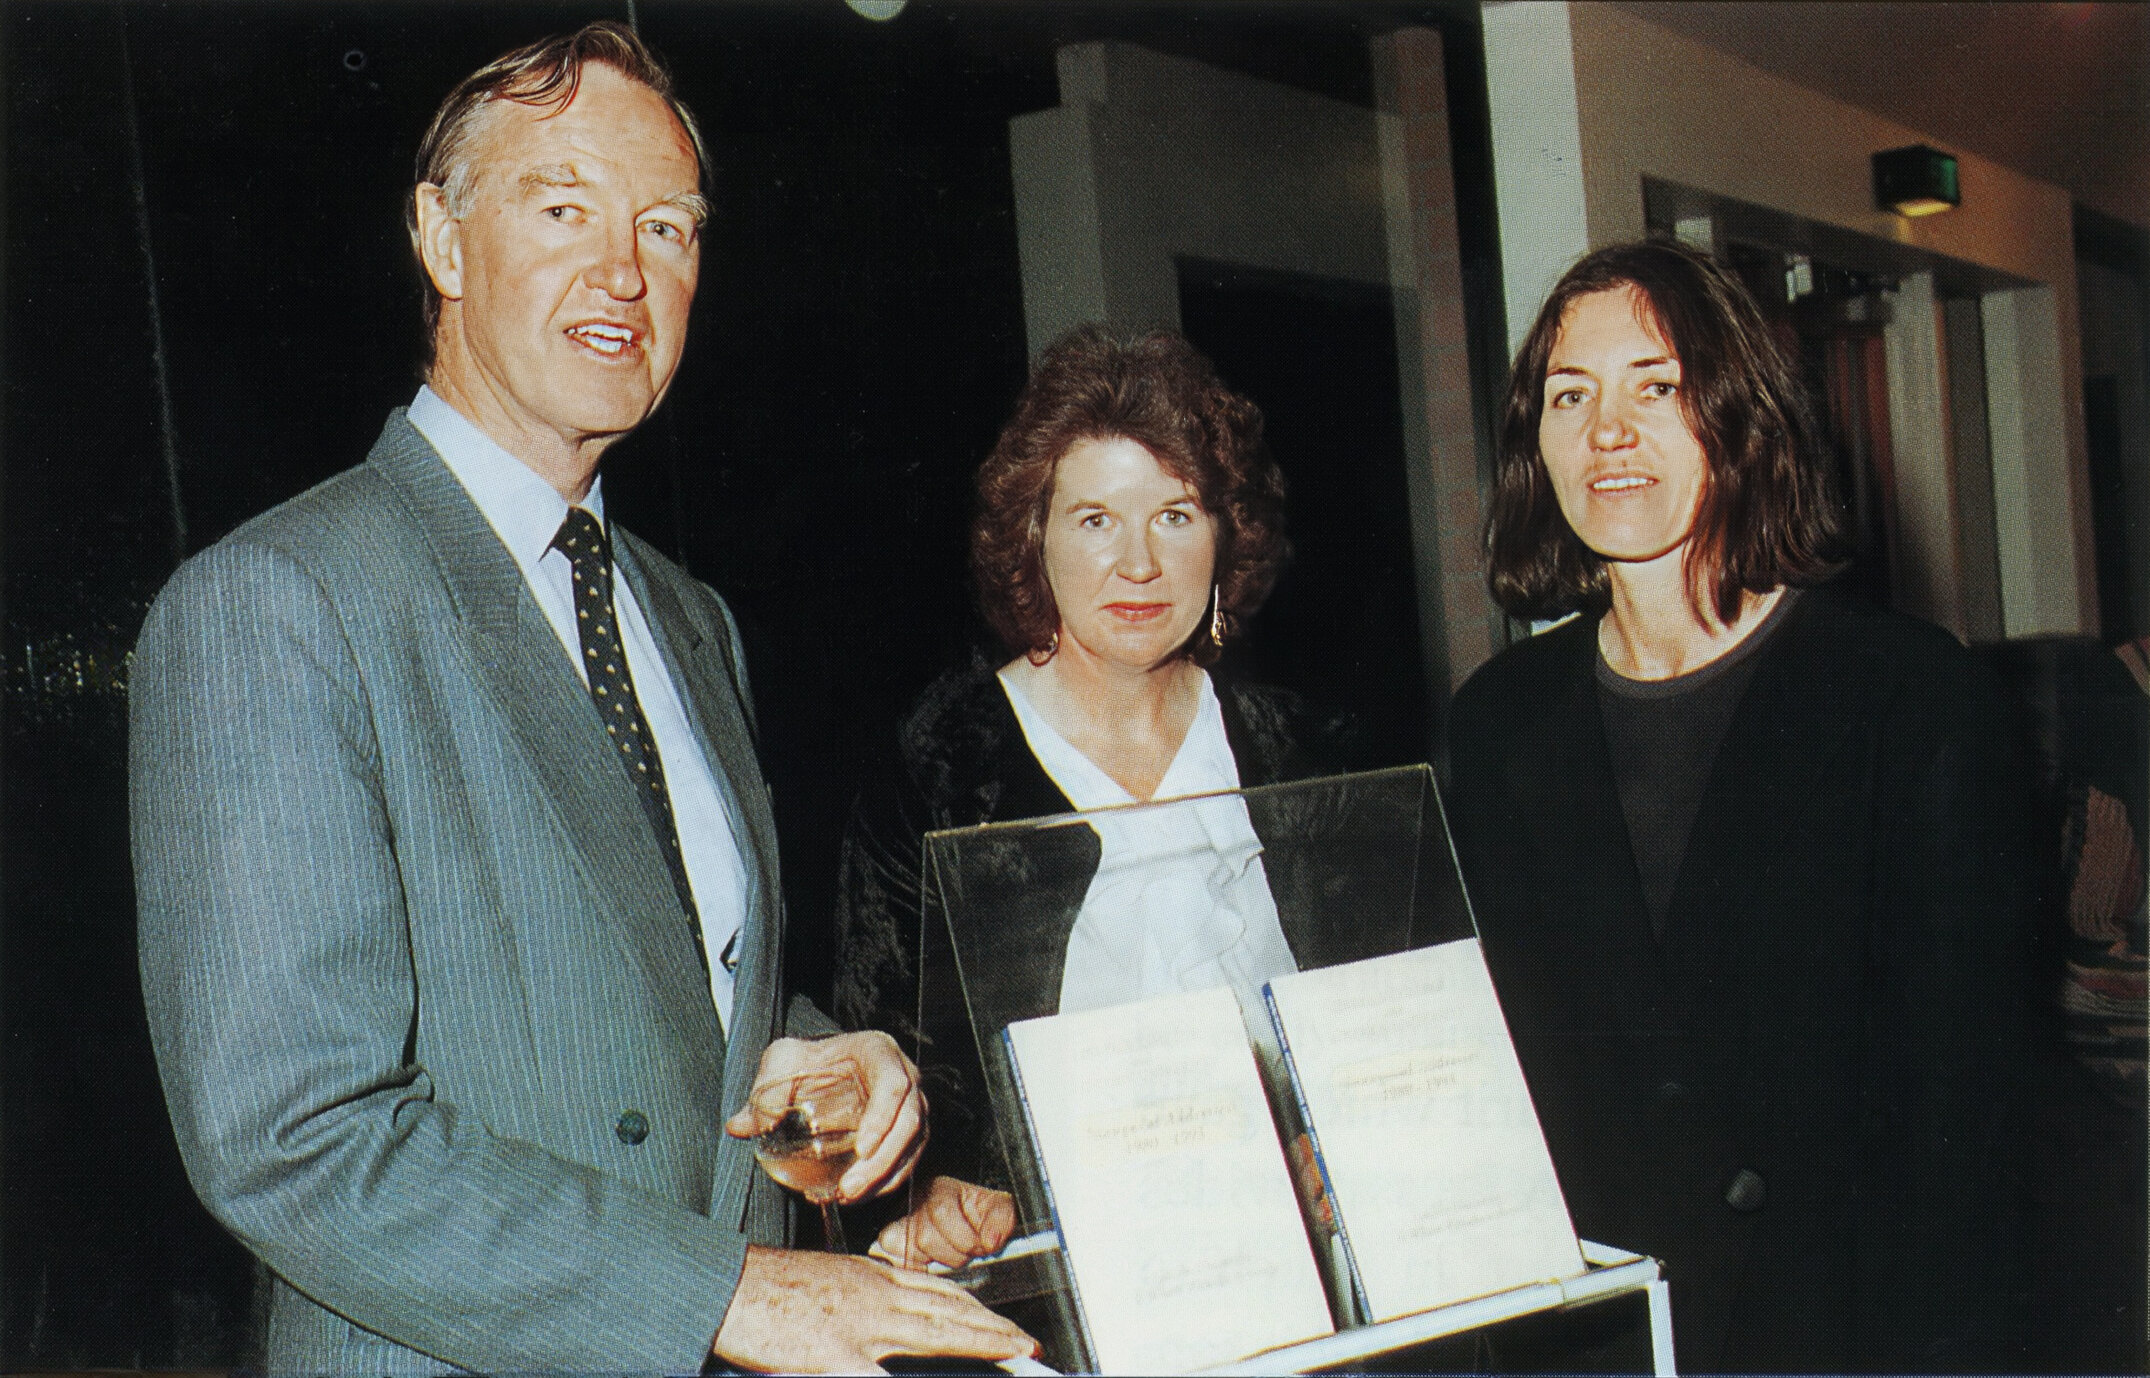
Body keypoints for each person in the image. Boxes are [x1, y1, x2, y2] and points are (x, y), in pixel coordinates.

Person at [129, 24, 1032, 1375]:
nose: (624, 271)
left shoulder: (685, 614)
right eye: (563, 209)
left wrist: (805, 1062)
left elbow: (641, 995)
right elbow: (291, 1134)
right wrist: (728, 1295)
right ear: (440, 239)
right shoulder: (276, 602)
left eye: (667, 227)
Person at [1446, 238, 2034, 1372]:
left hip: (1841, 1332)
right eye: (1570, 397)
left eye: (1655, 389)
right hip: (1603, 1337)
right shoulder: (1497, 719)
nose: (1606, 432)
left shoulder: (1909, 697)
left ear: (1742, 416)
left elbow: (1966, 1140)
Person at [835, 326, 1353, 1267]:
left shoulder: (1304, 750)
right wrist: (940, 1191)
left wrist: (1344, 1142)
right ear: (1034, 537)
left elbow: (1370, 1026)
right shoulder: (942, 762)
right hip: (1065, 1280)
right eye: (1095, 519)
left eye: (1175, 514)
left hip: (1287, 1263)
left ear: (1226, 533)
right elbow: (892, 1053)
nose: (1139, 563)